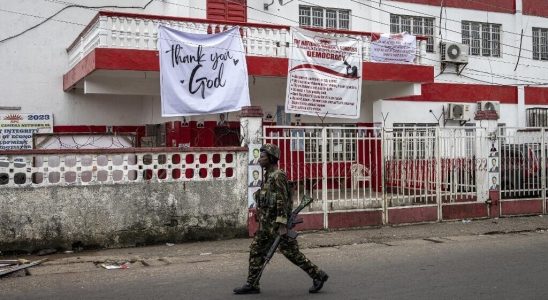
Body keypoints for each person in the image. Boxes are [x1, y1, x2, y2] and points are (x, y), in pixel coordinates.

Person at [234, 143, 328, 295]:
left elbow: (282, 201)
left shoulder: (278, 176)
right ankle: (252, 284)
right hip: (266, 226)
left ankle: (318, 275)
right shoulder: (268, 176)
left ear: (271, 158)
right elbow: (268, 200)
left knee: (292, 254)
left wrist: (282, 225)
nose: (259, 160)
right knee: (256, 251)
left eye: (263, 157)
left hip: (277, 227)